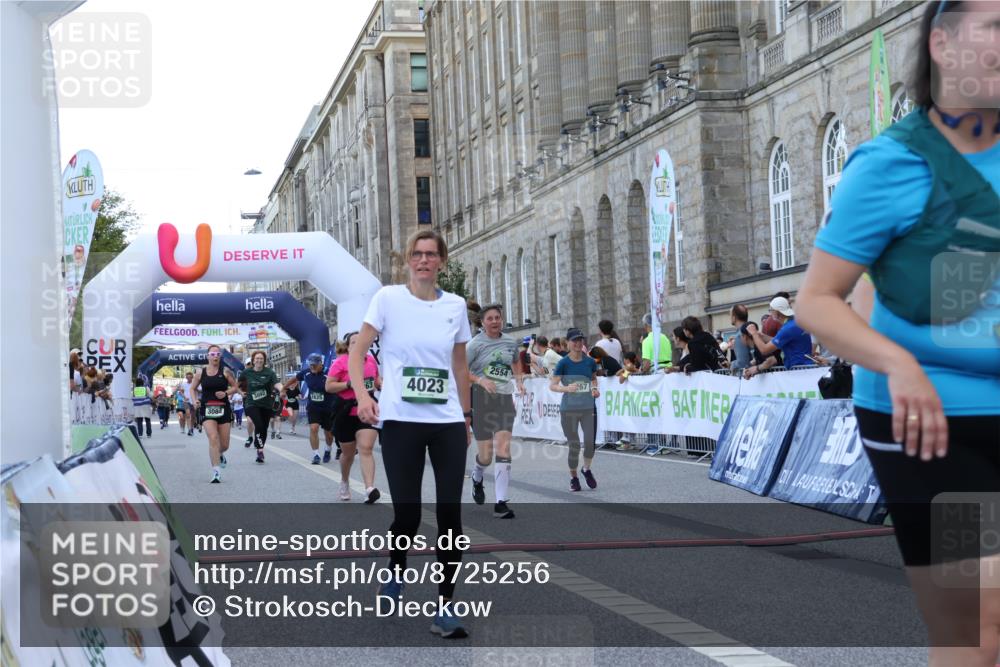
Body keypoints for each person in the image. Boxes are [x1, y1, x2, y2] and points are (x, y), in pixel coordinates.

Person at [796, 2, 1000, 664]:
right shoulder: (890, 164)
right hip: (930, 420)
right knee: (978, 616)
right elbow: (819, 303)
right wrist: (898, 362)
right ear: (942, 43)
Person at [351, 229, 473, 639]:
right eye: (417, 254)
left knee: (450, 516)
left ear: (441, 260)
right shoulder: (387, 299)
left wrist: (467, 416)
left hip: (447, 421)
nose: (424, 261)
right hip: (401, 420)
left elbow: (459, 365)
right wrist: (363, 394)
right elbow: (358, 349)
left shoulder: (455, 306)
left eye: (431, 254)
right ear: (408, 260)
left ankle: (445, 607)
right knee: (407, 514)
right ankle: (395, 571)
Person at [466, 304, 525, 519]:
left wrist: (519, 381)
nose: (494, 321)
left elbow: (517, 361)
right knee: (486, 455)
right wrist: (480, 380)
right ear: (482, 322)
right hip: (481, 399)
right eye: (489, 318)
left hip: (503, 399)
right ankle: (477, 475)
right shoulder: (474, 345)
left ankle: (500, 502)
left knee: (503, 448)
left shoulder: (510, 342)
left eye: (497, 317)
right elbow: (461, 370)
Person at [327, 336, 382, 503]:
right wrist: (348, 384)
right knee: (348, 454)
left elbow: (377, 381)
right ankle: (344, 481)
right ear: (348, 347)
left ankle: (369, 488)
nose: (358, 344)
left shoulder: (371, 361)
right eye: (353, 342)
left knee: (366, 448)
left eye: (361, 341)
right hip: (345, 412)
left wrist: (383, 384)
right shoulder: (341, 363)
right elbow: (329, 386)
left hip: (366, 412)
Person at [550, 327, 600, 492]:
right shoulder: (563, 363)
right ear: (568, 343)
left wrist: (594, 389)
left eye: (581, 340)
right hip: (569, 409)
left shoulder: (590, 361)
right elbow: (553, 385)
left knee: (590, 443)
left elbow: (593, 380)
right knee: (574, 446)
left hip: (588, 407)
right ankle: (574, 478)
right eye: (575, 340)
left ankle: (586, 469)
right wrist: (567, 389)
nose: (578, 343)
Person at [191, 345, 238, 483]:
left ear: (220, 356)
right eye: (212, 354)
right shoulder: (200, 373)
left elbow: (235, 387)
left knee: (224, 445)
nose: (215, 356)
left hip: (223, 409)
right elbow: (193, 389)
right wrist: (194, 401)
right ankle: (216, 472)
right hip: (207, 408)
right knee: (213, 438)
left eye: (217, 354)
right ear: (208, 356)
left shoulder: (225, 371)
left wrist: (226, 393)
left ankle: (220, 453)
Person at [745, 296, 816, 376]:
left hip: (799, 370)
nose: (770, 314)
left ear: (777, 312)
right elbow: (780, 340)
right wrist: (762, 336)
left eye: (771, 310)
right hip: (804, 368)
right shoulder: (795, 323)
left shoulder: (788, 328)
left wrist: (754, 334)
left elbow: (764, 350)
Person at [243, 351, 282, 463]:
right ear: (253, 360)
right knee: (258, 424)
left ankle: (260, 448)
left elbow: (276, 383)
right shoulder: (247, 372)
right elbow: (237, 384)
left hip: (266, 404)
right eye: (257, 358)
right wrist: (241, 393)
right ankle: (260, 450)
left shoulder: (270, 372)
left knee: (263, 428)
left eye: (261, 358)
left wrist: (282, 388)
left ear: (264, 360)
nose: (259, 360)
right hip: (251, 403)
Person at [729, 305, 753, 371]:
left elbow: (742, 363)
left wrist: (732, 364)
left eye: (730, 315)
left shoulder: (739, 336)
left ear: (734, 317)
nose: (730, 318)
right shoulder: (752, 330)